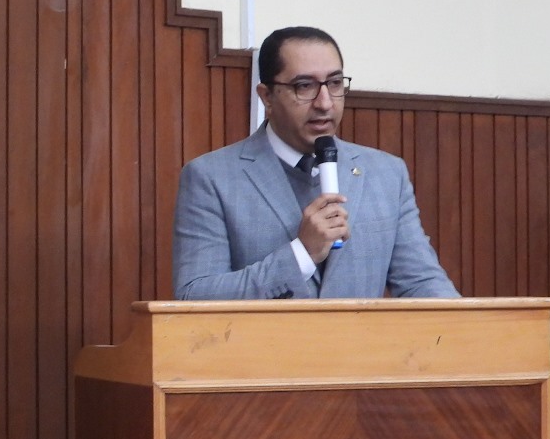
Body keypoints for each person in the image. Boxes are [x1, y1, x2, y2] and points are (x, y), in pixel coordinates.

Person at [172, 25, 458, 300]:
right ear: (267, 97)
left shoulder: (386, 174)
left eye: (334, 83)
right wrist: (302, 255)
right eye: (304, 86)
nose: (325, 103)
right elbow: (195, 295)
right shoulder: (211, 178)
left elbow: (422, 282)